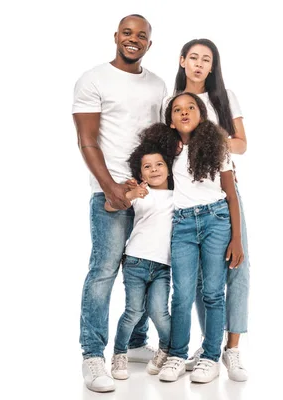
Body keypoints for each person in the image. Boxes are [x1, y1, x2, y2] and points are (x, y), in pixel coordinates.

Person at [71, 14, 167, 393]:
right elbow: (87, 140)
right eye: (127, 33)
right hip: (110, 191)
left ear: (148, 43)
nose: (133, 39)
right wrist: (111, 188)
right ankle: (93, 355)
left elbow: (162, 140)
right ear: (116, 37)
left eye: (141, 36)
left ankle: (136, 343)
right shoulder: (93, 78)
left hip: (150, 194)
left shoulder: (157, 84)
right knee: (104, 270)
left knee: (144, 267)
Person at [167, 38, 251, 382]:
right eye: (194, 58)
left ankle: (231, 349)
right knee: (196, 281)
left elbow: (242, 144)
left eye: (207, 59)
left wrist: (208, 136)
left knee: (236, 269)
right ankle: (207, 346)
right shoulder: (170, 102)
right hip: (186, 201)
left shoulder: (223, 97)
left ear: (212, 66)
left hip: (222, 193)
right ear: (183, 61)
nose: (200, 64)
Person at [153, 93, 244, 384]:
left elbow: (231, 196)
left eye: (190, 107)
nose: (183, 112)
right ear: (170, 120)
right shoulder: (168, 151)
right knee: (181, 293)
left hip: (216, 220)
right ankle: (177, 355)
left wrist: (237, 240)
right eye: (177, 109)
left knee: (214, 292)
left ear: (201, 115)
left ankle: (210, 358)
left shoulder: (217, 148)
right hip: (182, 224)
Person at [105, 138, 174, 380]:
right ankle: (119, 353)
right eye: (147, 166)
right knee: (133, 311)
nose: (154, 169)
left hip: (163, 265)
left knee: (159, 312)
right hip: (135, 262)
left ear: (168, 167)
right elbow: (110, 206)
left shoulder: (177, 196)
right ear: (140, 171)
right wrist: (131, 192)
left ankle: (167, 349)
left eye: (159, 164)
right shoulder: (140, 193)